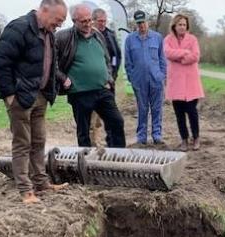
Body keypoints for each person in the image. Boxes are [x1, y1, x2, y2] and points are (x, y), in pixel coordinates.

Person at [0, 0, 68, 204]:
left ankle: (41, 183)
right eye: (58, 20)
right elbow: (1, 63)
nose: (59, 25)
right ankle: (26, 190)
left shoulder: (49, 34)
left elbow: (52, 64)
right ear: (44, 10)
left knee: (39, 141)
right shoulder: (18, 28)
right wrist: (9, 95)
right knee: (22, 143)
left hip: (41, 95)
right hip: (21, 97)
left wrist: (51, 88)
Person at [56, 4, 125, 148]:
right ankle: (86, 163)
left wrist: (109, 78)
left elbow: (106, 59)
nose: (88, 24)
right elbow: (51, 62)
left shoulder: (97, 35)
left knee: (117, 121)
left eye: (89, 20)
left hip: (102, 90)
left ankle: (119, 157)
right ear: (74, 21)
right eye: (84, 21)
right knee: (84, 132)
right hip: (80, 93)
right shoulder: (63, 37)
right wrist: (63, 78)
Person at [124, 10, 167, 145]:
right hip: (139, 81)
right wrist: (133, 78)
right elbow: (128, 62)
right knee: (142, 109)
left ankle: (157, 135)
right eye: (138, 23)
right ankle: (141, 136)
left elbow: (162, 59)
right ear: (136, 24)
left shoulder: (157, 37)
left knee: (157, 108)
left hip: (156, 79)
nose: (141, 25)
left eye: (143, 22)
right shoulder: (130, 39)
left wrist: (162, 75)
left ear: (147, 21)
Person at [164, 14, 204, 152]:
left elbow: (196, 56)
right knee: (179, 114)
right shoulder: (168, 39)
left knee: (192, 113)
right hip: (176, 84)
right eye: (180, 24)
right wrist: (184, 52)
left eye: (184, 25)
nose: (182, 27)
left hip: (191, 84)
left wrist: (181, 59)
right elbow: (168, 53)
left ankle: (196, 137)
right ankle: (184, 140)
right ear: (174, 25)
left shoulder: (192, 39)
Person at [89, 7, 122, 147]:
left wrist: (112, 77)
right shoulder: (88, 35)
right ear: (93, 20)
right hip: (92, 84)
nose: (102, 23)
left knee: (111, 117)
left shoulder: (110, 34)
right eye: (100, 21)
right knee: (92, 119)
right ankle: (92, 144)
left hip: (108, 83)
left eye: (104, 21)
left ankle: (111, 143)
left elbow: (116, 56)